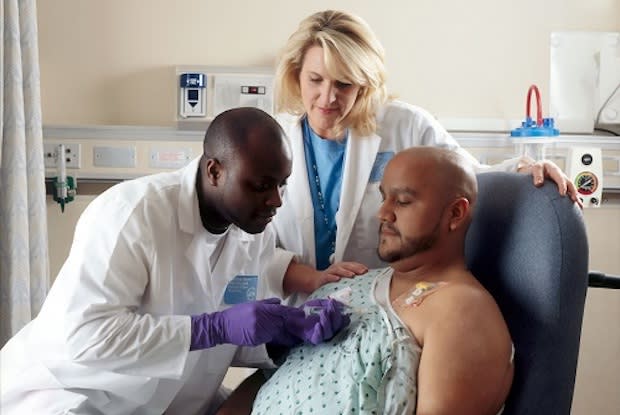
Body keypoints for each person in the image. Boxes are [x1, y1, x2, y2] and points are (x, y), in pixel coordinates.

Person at [0, 107, 350, 415]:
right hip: (76, 395)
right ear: (214, 171)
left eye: (282, 185)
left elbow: (220, 340)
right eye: (261, 185)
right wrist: (212, 326)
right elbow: (87, 336)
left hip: (170, 401)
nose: (276, 200)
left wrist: (281, 335)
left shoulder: (254, 235)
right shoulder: (131, 213)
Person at [265, 9, 581, 298]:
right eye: (315, 80)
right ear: (296, 75)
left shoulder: (405, 125)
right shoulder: (272, 140)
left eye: (344, 84)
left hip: (383, 309)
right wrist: (312, 279)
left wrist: (525, 170)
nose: (328, 97)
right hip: (297, 311)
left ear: (363, 84)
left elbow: (468, 176)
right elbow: (252, 245)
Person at [217, 146, 515, 414]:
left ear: (456, 213)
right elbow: (277, 372)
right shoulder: (348, 283)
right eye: (384, 197)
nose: (382, 213)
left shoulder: (460, 310)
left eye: (403, 201)